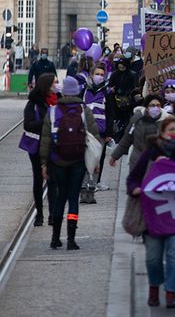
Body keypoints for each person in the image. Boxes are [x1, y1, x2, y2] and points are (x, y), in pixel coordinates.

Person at [128, 113, 175, 309]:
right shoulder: (151, 152)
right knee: (153, 258)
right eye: (170, 130)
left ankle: (170, 292)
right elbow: (134, 177)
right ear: (162, 132)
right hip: (153, 216)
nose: (174, 133)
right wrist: (135, 189)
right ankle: (154, 287)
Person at [39, 74, 100, 252]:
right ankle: (71, 239)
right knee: (73, 198)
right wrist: (95, 162)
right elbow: (94, 137)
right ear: (77, 92)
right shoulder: (84, 110)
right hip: (78, 161)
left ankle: (55, 239)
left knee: (60, 197)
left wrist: (43, 163)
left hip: (57, 161)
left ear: (63, 92)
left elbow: (45, 139)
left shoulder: (52, 111)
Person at [20, 71, 58, 225]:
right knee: (38, 179)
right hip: (36, 147)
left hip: (53, 146)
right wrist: (46, 122)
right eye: (54, 83)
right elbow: (27, 125)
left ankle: (53, 214)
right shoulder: (33, 103)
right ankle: (39, 214)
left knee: (53, 180)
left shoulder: (58, 100)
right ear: (47, 85)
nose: (56, 85)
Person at [83, 61, 116, 190]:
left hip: (101, 131)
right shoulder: (84, 90)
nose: (99, 77)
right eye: (97, 74)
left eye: (102, 75)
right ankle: (84, 182)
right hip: (85, 130)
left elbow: (110, 114)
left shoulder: (107, 93)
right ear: (92, 75)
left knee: (98, 157)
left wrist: (109, 133)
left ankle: (96, 181)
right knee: (85, 156)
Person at [110, 95, 163, 170]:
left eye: (158, 105)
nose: (155, 108)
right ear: (147, 107)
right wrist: (115, 156)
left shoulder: (165, 121)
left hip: (156, 164)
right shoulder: (137, 119)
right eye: (152, 105)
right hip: (137, 161)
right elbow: (127, 139)